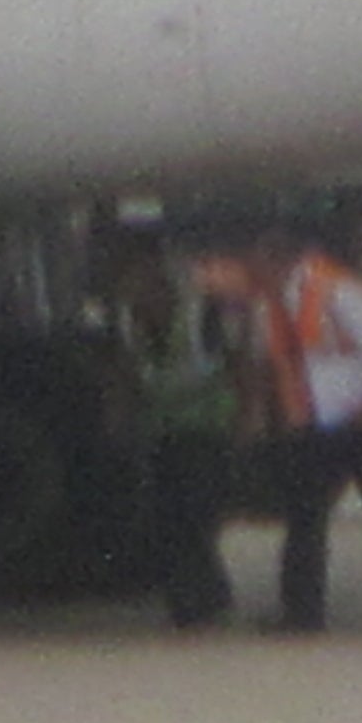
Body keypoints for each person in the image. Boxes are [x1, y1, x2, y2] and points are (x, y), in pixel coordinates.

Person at [232, 212, 362, 633]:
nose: (252, 274)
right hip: (317, 420)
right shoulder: (273, 301)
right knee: (306, 514)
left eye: (258, 264)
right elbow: (272, 362)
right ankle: (301, 611)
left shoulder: (336, 289)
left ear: (279, 261)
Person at [111, 243, 247, 628]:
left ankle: (203, 597)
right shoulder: (132, 323)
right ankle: (193, 597)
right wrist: (121, 418)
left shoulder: (202, 318)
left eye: (140, 289)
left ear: (163, 288)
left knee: (195, 517)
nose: (134, 298)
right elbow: (129, 372)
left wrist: (245, 420)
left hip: (207, 431)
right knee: (167, 519)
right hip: (165, 433)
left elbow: (239, 366)